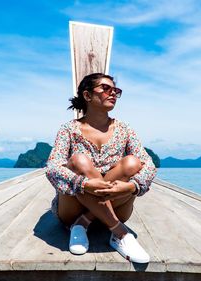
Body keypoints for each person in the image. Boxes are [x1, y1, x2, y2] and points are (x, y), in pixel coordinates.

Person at [45, 73, 157, 263]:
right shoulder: (69, 129)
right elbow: (53, 167)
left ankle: (84, 222)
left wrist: (132, 187)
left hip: (116, 202)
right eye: (106, 88)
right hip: (73, 209)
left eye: (116, 90)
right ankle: (120, 233)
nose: (113, 93)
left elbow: (149, 164)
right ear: (87, 96)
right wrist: (83, 184)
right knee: (79, 161)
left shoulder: (124, 129)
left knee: (132, 162)